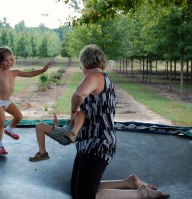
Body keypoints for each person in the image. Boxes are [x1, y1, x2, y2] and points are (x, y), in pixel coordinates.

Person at [68, 44, 169, 199]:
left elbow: (79, 94)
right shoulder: (101, 79)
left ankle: (140, 194)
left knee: (84, 195)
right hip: (88, 142)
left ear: (85, 62)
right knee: (77, 190)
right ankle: (129, 182)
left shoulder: (95, 76)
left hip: (98, 141)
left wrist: (73, 113)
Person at [0, 47, 51, 155]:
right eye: (6, 60)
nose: (9, 62)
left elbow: (30, 74)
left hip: (7, 101)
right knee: (1, 123)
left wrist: (43, 70)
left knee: (19, 116)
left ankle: (9, 130)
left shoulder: (15, 72)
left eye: (11, 60)